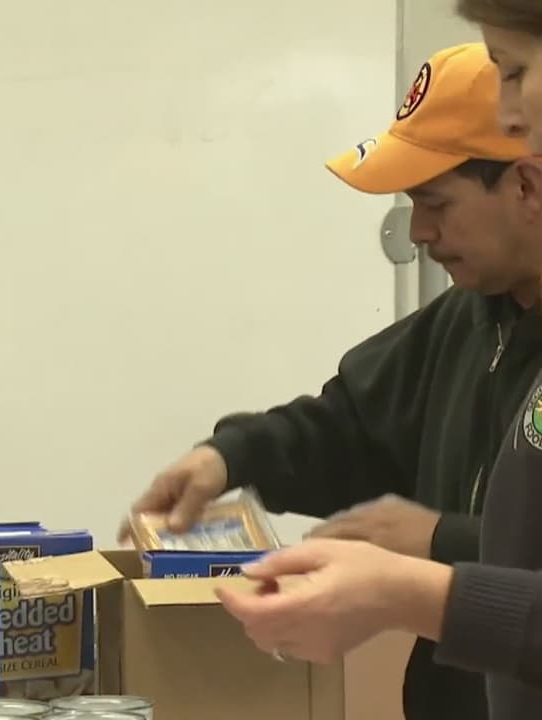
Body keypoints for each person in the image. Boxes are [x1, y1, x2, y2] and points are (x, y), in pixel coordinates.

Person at [121, 42, 542, 720]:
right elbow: (349, 426)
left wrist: (439, 543)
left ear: (526, 186)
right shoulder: (467, 319)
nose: (420, 231)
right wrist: (230, 456)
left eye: (436, 202)